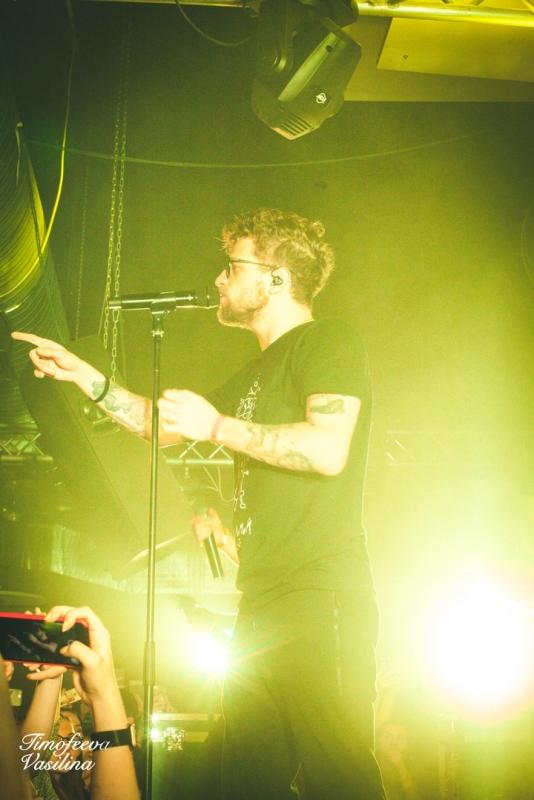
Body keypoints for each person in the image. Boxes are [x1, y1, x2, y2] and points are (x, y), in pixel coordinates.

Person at [12, 207, 385, 800]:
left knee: (339, 777)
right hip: (262, 607)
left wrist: (216, 426)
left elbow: (327, 449)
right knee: (243, 782)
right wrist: (87, 378)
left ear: (277, 277)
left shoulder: (328, 341)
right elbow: (157, 424)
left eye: (232, 265)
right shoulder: (256, 372)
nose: (218, 278)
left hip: (322, 597)